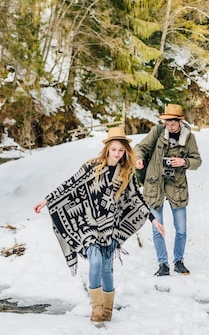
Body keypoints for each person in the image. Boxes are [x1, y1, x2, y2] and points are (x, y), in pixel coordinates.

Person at [34, 126, 165, 324]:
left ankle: (107, 311)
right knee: (95, 262)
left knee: (106, 269)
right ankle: (96, 309)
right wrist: (46, 199)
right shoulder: (91, 167)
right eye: (114, 149)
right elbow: (70, 184)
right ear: (107, 148)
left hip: (110, 227)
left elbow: (136, 198)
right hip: (88, 225)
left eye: (121, 150)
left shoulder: (126, 173)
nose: (117, 153)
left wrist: (154, 219)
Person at [134, 104, 202, 276]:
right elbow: (140, 148)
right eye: (167, 122)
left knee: (181, 229)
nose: (169, 126)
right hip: (155, 185)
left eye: (172, 123)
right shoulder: (157, 132)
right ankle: (162, 264)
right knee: (158, 229)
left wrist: (183, 162)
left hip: (177, 187)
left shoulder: (189, 138)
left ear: (180, 121)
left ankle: (178, 262)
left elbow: (197, 161)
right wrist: (139, 159)